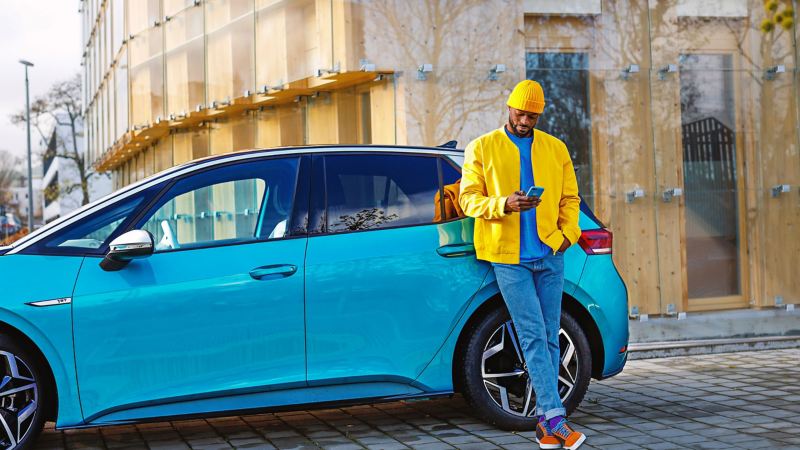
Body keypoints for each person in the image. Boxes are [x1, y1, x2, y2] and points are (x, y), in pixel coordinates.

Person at [459, 80, 585, 450]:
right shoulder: (482, 147)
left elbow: (571, 198)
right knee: (531, 335)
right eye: (520, 112)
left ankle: (545, 427)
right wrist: (503, 205)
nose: (525, 120)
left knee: (548, 336)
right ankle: (556, 419)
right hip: (509, 258)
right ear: (509, 107)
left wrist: (567, 236)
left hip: (550, 254)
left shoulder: (555, 148)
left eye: (532, 115)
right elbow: (468, 200)